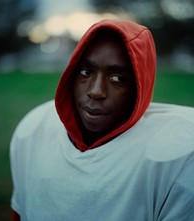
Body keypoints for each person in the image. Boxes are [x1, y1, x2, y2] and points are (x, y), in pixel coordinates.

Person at [10, 19, 194, 221]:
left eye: (117, 78)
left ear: (140, 85)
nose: (95, 91)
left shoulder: (178, 153)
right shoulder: (34, 129)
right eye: (85, 72)